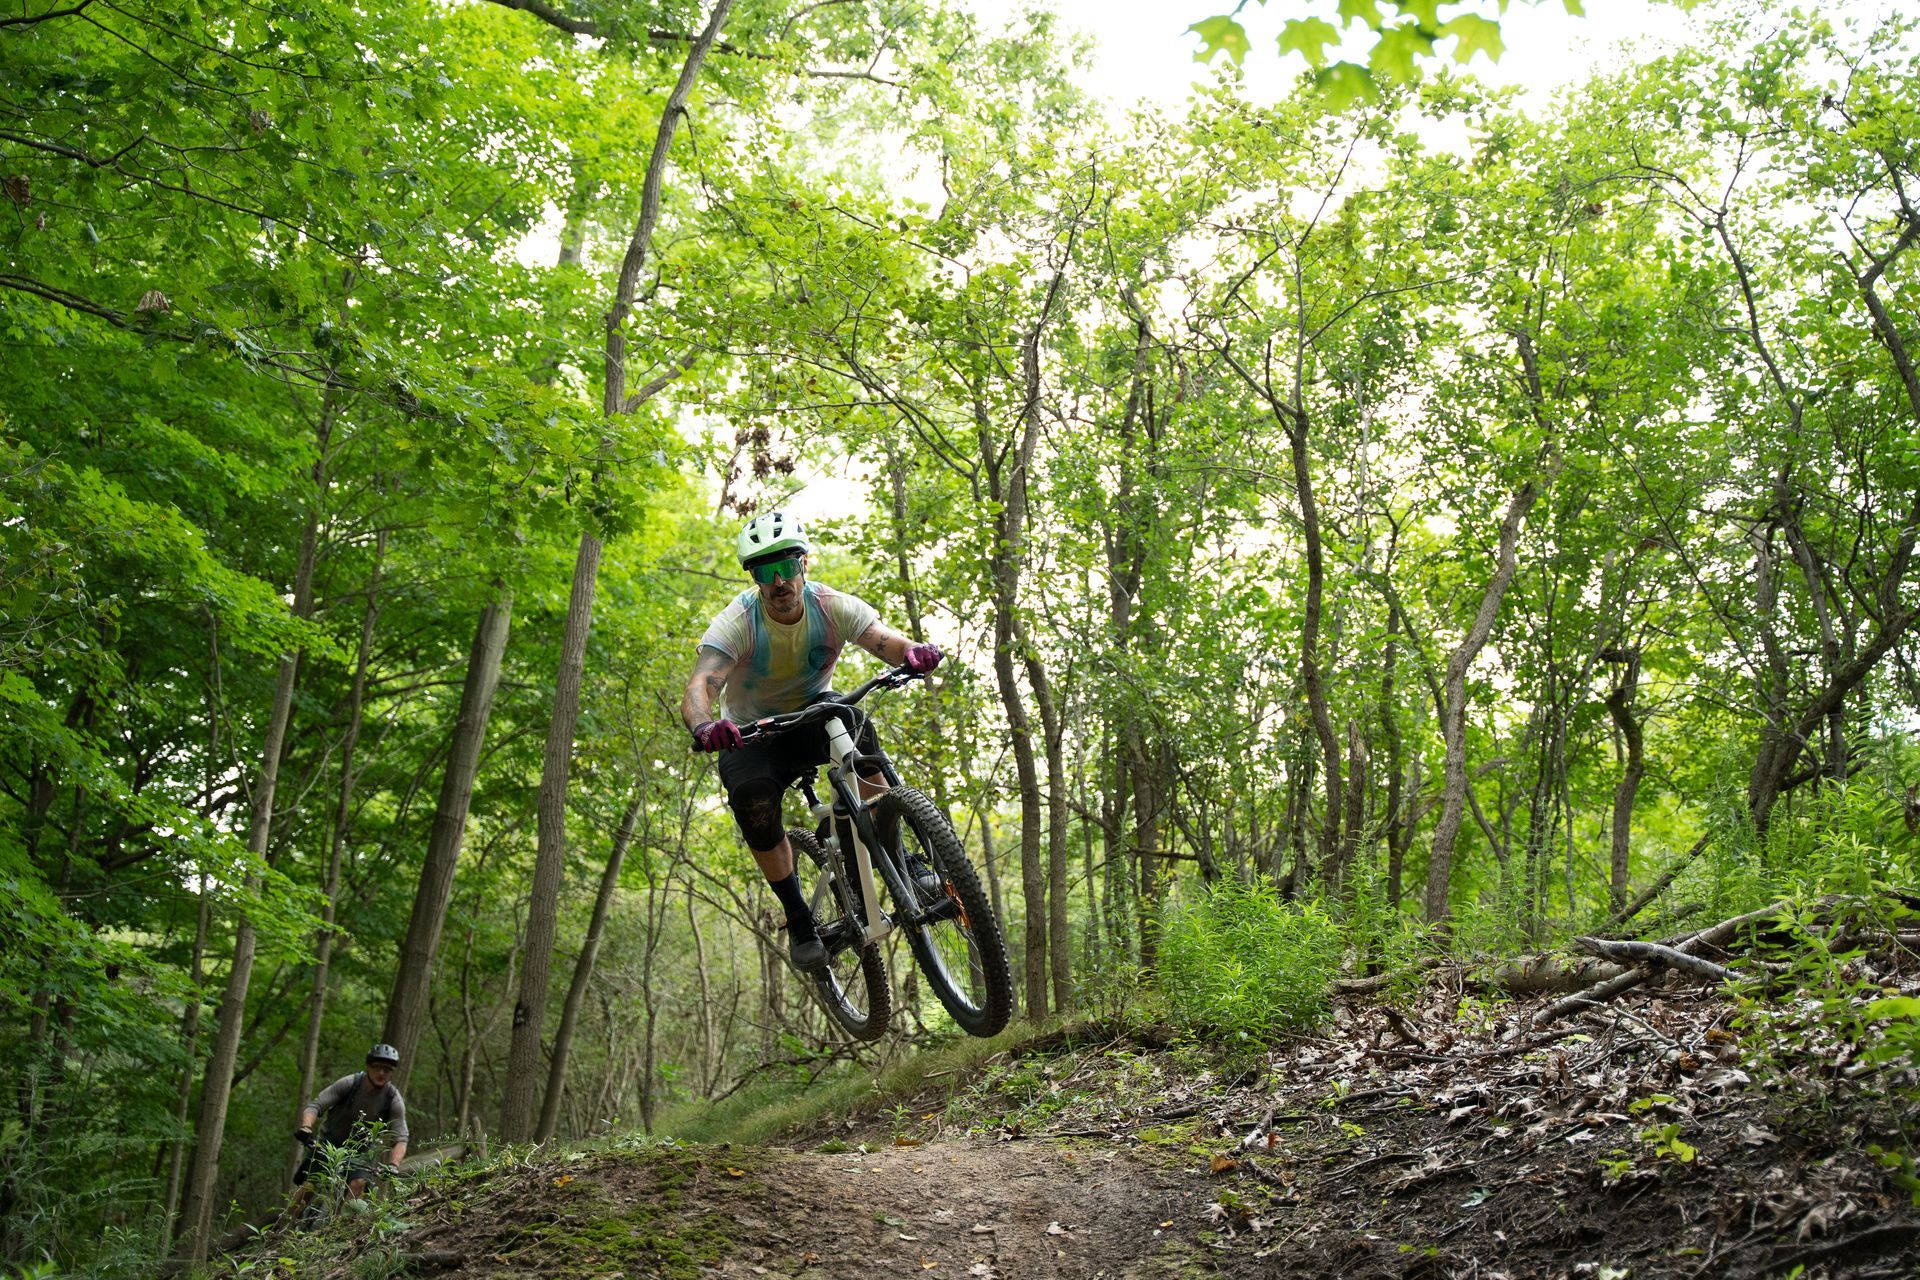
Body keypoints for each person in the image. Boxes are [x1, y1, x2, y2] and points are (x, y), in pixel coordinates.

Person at [684, 511, 943, 971]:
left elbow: (883, 640)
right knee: (753, 801)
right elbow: (702, 685)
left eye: (787, 566)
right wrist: (706, 727)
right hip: (752, 734)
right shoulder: (739, 622)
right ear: (755, 578)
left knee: (858, 735)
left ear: (805, 563)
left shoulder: (830, 606)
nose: (780, 580)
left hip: (814, 712)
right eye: (766, 571)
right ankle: (799, 917)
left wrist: (913, 653)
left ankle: (903, 856)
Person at [289, 1042, 410, 1216]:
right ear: (368, 1066)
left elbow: (401, 1138)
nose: (381, 1073)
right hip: (330, 1142)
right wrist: (306, 1128)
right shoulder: (349, 1084)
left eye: (387, 1069)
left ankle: (338, 1228)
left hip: (361, 1150)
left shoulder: (393, 1099)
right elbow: (315, 1106)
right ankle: (284, 1227)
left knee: (358, 1183)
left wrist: (393, 1165)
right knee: (310, 1185)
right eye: (377, 1067)